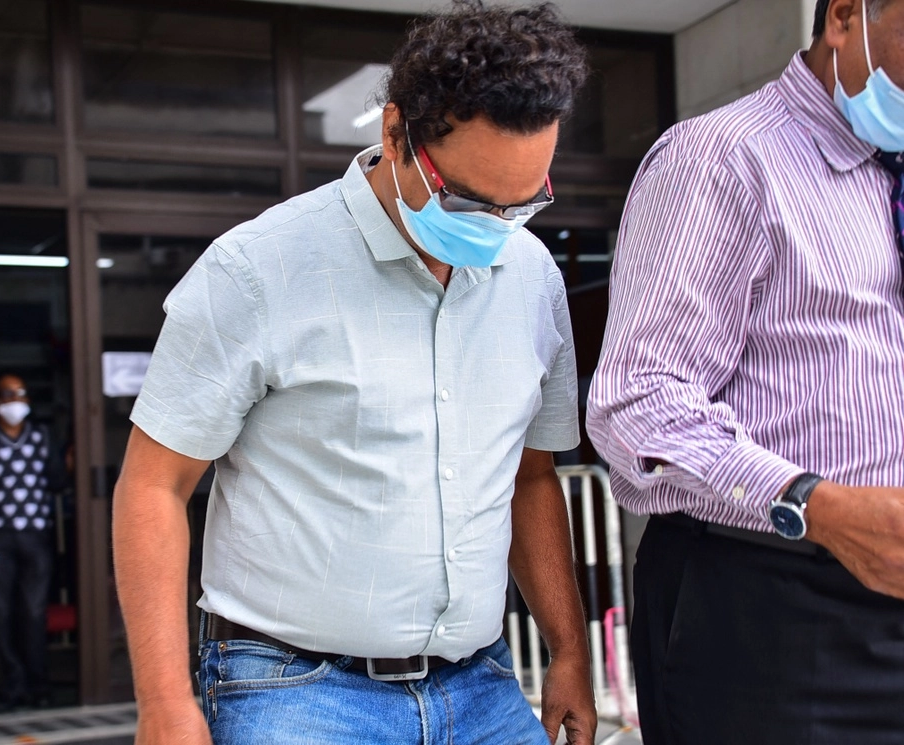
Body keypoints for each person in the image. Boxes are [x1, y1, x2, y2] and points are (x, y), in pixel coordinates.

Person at [113, 3, 596, 743]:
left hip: (482, 682)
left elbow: (530, 476)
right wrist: (165, 704)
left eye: (522, 203)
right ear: (395, 131)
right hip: (295, 690)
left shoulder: (531, 276)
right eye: (466, 199)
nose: (493, 228)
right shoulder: (257, 269)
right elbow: (154, 484)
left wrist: (567, 649)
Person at [586, 0, 904, 742]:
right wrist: (816, 506)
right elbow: (639, 403)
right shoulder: (720, 159)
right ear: (844, 17)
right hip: (776, 600)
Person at [0, 373, 64, 710]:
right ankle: (13, 683)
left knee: (34, 612)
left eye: (22, 395)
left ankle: (38, 684)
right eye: (9, 394)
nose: (16, 401)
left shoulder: (41, 436)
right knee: (2, 612)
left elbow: (56, 480)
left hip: (36, 535)